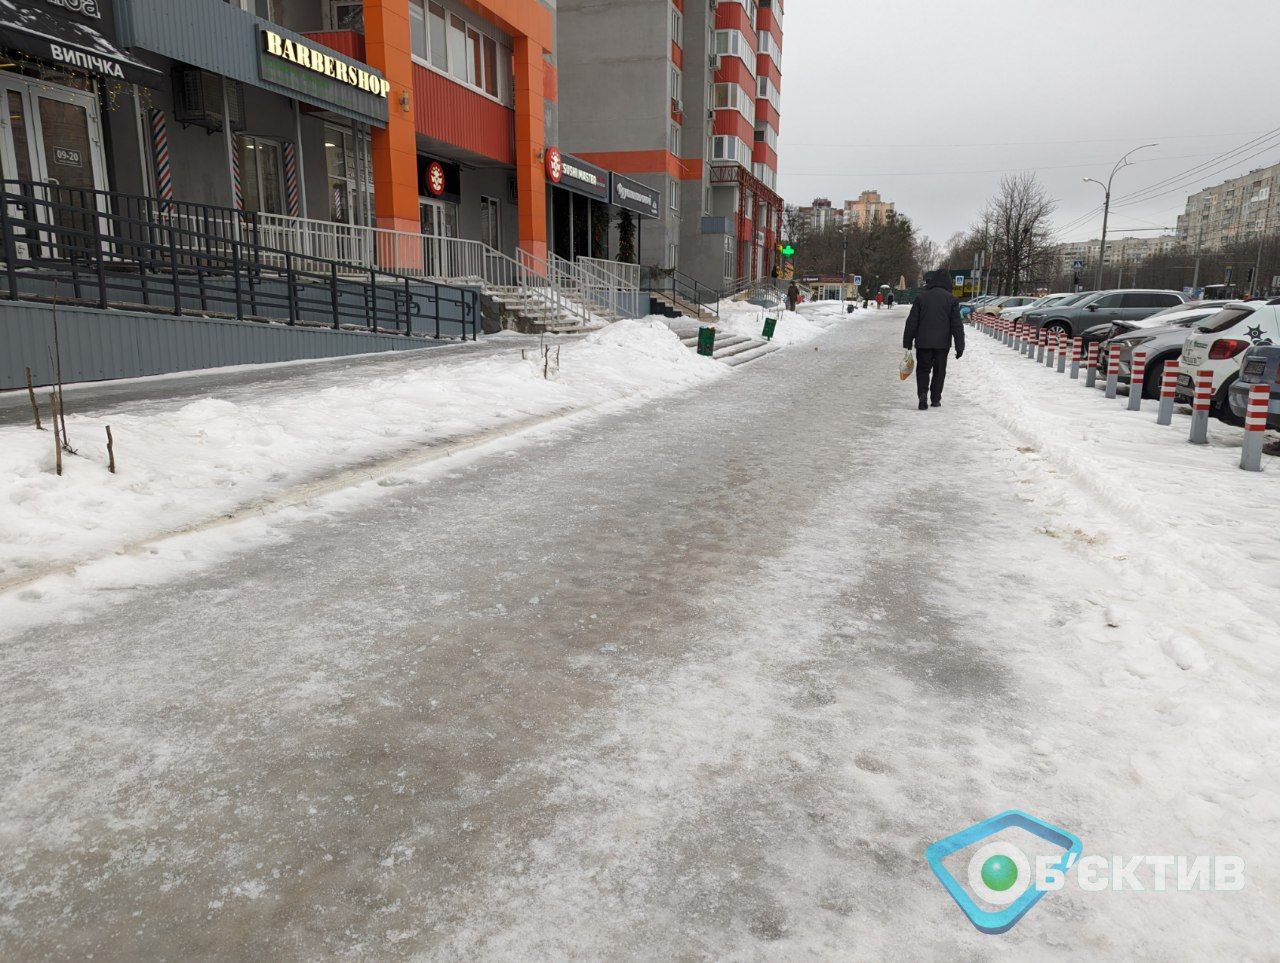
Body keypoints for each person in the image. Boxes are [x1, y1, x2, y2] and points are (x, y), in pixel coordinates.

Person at [903, 270, 965, 410]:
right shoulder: (952, 300)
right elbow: (956, 325)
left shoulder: (921, 298)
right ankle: (936, 398)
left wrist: (907, 341)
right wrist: (960, 345)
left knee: (923, 370)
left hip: (923, 343)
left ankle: (922, 395)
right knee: (939, 371)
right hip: (942, 345)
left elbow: (912, 322)